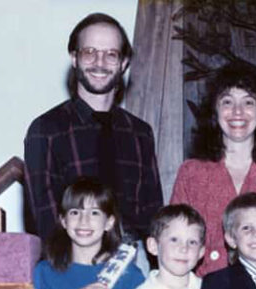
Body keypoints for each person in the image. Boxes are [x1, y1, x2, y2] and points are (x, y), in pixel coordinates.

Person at [24, 13, 162, 247]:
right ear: (74, 58)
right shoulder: (46, 130)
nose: (100, 62)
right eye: (90, 52)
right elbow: (44, 220)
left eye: (111, 54)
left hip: (134, 258)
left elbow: (153, 215)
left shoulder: (141, 133)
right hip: (72, 258)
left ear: (124, 63)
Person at [171, 62, 256, 276]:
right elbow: (174, 242)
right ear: (214, 110)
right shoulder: (191, 173)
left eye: (248, 102)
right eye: (227, 102)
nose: (237, 112)